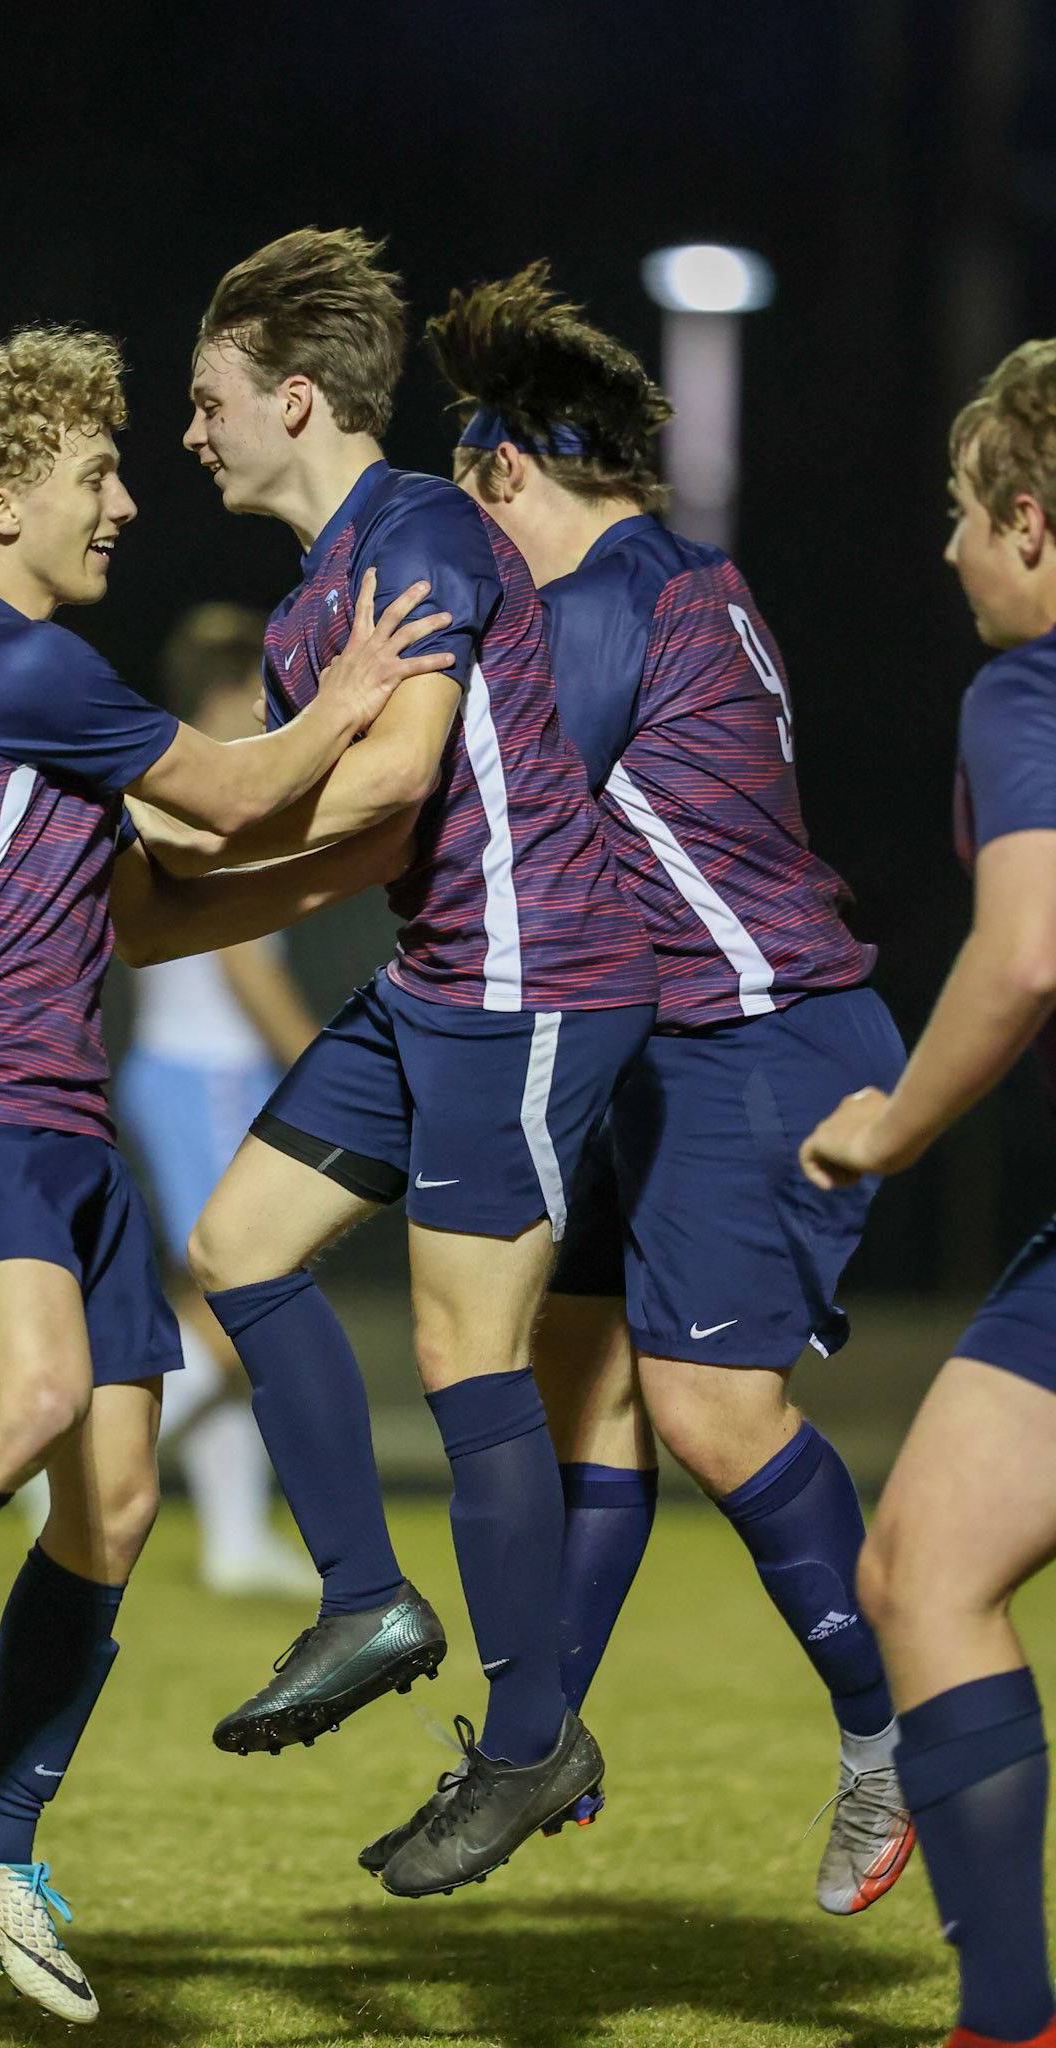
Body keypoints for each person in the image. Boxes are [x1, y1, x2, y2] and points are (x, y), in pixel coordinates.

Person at [0, 319, 451, 2021]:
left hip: (72, 1129)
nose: (127, 501)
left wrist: (344, 832)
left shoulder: (40, 682)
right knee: (40, 1388)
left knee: (117, 1501)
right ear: (1, 500)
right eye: (93, 475)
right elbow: (222, 790)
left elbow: (173, 875)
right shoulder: (9, 656)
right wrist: (355, 707)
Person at [368, 261, 913, 1917]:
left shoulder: (599, 607)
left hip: (761, 1043)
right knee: (577, 1389)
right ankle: (535, 1740)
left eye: (468, 514)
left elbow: (460, 810)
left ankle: (896, 1737)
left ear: (506, 478)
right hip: (669, 1049)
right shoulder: (681, 572)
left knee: (709, 1408)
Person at [154, 227, 660, 1899]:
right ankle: (366, 1594)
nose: (190, 430)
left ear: (294, 400)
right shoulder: (314, 607)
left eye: (210, 398)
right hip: (439, 977)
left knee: (465, 1350)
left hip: (535, 986)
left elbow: (385, 786)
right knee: (235, 1251)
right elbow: (340, 843)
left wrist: (187, 829)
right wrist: (125, 904)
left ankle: (530, 1744)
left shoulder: (422, 531)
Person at [802, 339, 1056, 2048]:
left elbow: (1029, 946)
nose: (950, 552)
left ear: (1032, 523)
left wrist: (884, 1128)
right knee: (921, 1559)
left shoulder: (1026, 689)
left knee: (926, 1571)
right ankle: (1008, 2018)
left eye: (961, 517)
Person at [118, 603, 318, 1597]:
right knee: (244, 1305)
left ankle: (235, 1537)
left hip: (186, 1069)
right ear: (243, 691)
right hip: (209, 1071)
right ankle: (68, 1455)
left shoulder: (176, 775)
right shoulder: (224, 788)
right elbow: (244, 961)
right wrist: (327, 1069)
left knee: (231, 1300)